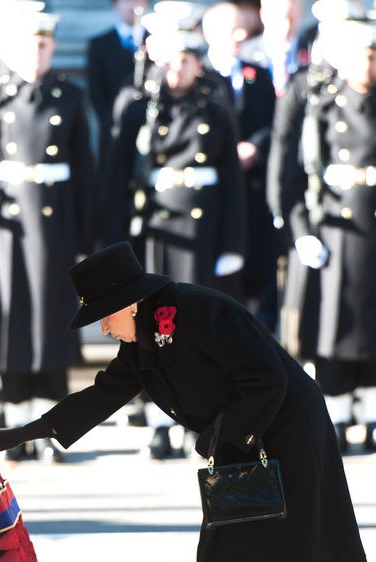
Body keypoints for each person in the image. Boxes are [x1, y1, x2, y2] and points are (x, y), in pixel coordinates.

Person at [0, 241, 370, 562]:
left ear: (128, 304)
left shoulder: (204, 311)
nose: (102, 326)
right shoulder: (143, 340)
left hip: (283, 440)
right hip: (240, 446)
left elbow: (268, 379)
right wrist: (24, 433)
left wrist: (220, 436)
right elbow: (103, 395)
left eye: (103, 315)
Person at [0, 1, 96, 462]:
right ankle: (17, 432)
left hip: (55, 228)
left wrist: (88, 237)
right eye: (30, 44)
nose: (37, 53)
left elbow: (86, 172)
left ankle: (51, 430)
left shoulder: (69, 96)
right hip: (6, 225)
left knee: (54, 325)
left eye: (45, 44)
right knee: (12, 327)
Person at [99, 4, 247, 459]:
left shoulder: (215, 103)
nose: (176, 68)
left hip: (200, 239)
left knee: (197, 332)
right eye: (169, 58)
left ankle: (198, 419)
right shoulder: (136, 103)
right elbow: (114, 179)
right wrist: (111, 249)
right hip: (154, 235)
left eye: (185, 58)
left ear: (197, 60)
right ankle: (161, 421)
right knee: (151, 332)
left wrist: (232, 244)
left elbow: (231, 184)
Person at [275, 15, 376, 454]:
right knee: (333, 329)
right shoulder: (320, 108)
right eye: (361, 54)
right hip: (335, 231)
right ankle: (336, 420)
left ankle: (375, 418)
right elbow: (298, 178)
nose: (368, 62)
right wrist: (302, 232)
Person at [203, 1, 280, 331]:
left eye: (241, 27)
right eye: (231, 28)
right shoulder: (201, 75)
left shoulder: (258, 74)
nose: (240, 34)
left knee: (258, 258)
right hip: (214, 189)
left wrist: (255, 146)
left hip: (252, 184)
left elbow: (272, 122)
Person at [86, 0, 149, 166]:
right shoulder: (100, 44)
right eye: (126, 1)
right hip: (114, 130)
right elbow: (96, 92)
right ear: (116, 4)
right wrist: (112, 123)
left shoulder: (156, 42)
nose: (132, 6)